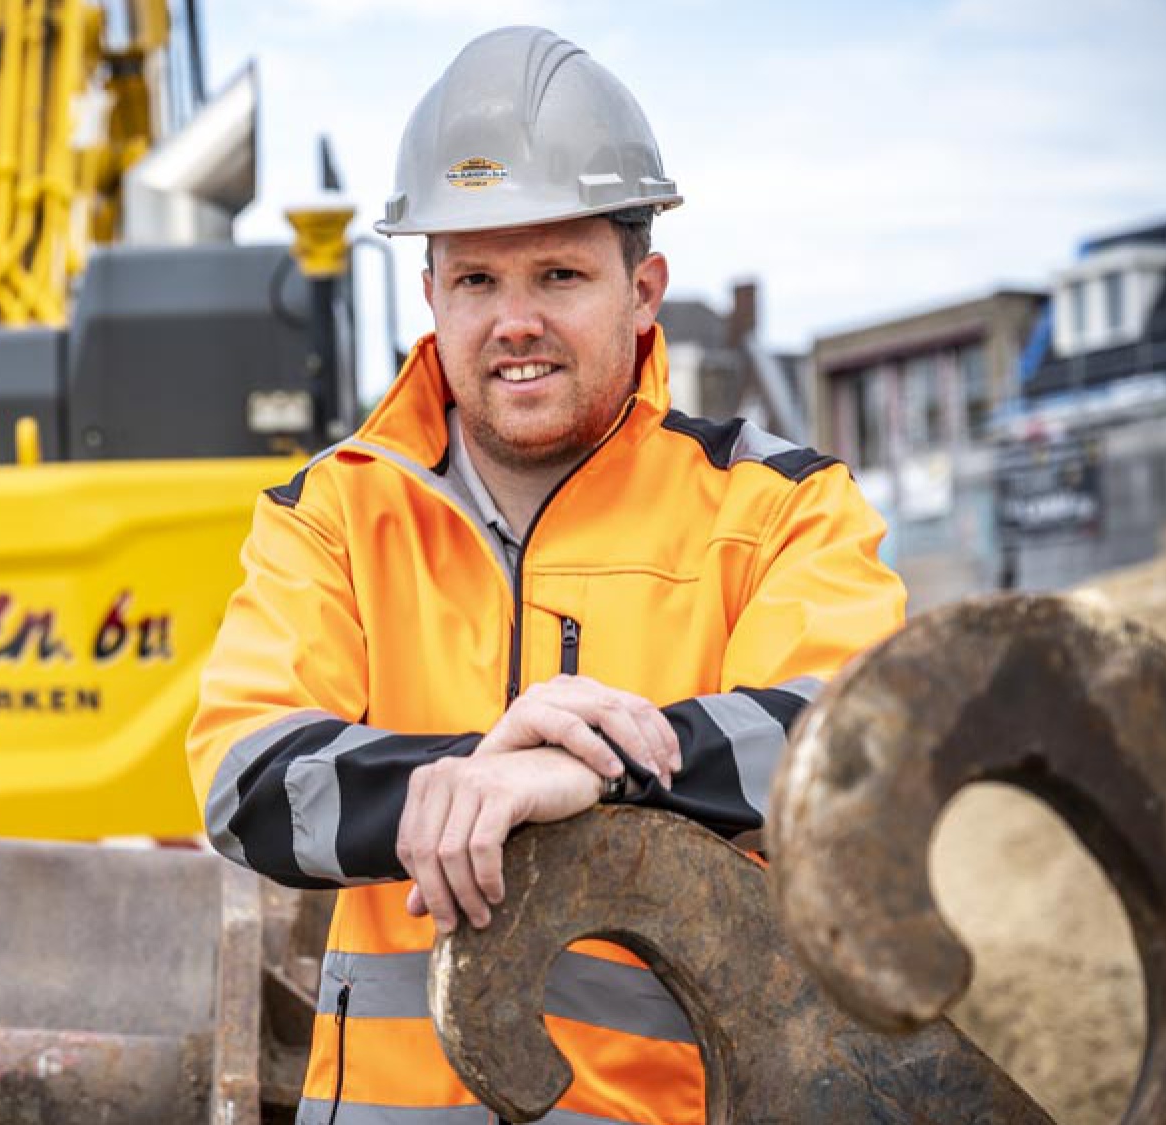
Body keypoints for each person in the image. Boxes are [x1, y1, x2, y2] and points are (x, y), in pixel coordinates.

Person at [185, 25, 908, 1125]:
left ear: (643, 287)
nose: (512, 321)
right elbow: (245, 778)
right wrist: (473, 772)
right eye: (475, 277)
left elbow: (852, 743)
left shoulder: (775, 507)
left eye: (558, 274)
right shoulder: (332, 511)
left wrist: (601, 772)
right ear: (431, 292)